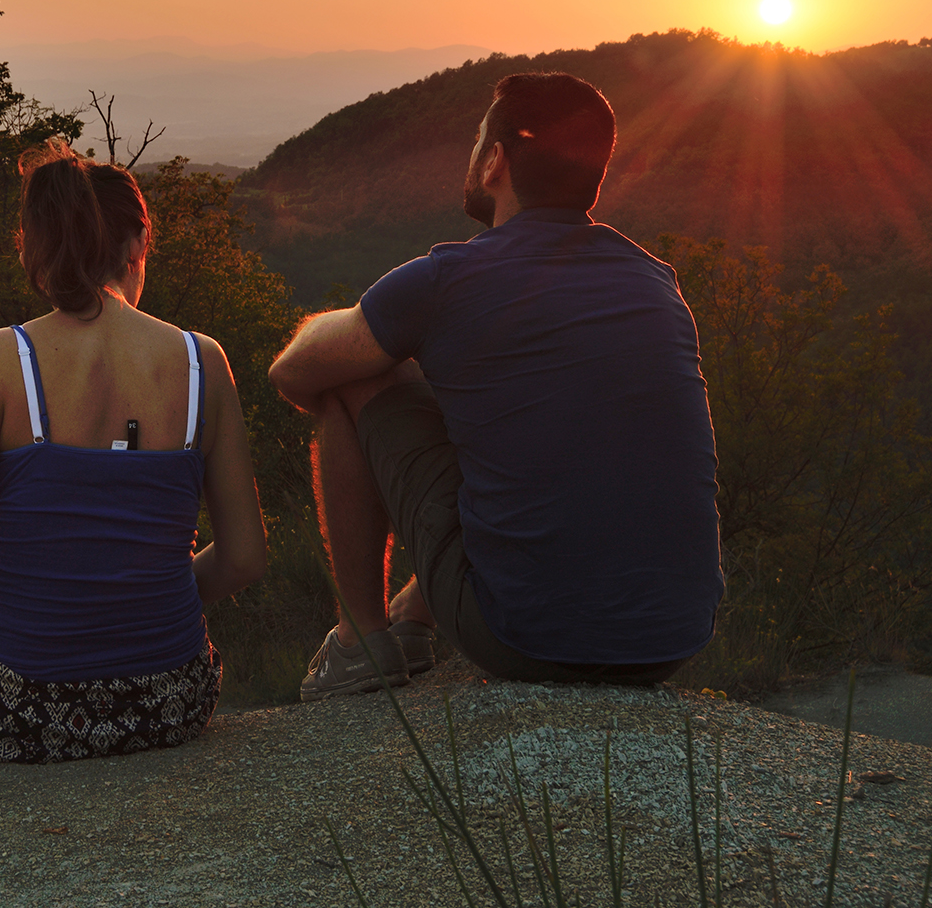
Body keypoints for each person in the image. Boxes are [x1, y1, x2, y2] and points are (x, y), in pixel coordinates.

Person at [268, 71, 723, 699]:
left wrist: (382, 347)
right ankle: (416, 619)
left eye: (479, 140)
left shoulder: (447, 278)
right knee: (509, 414)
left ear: (496, 163)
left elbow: (294, 373)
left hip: (524, 637)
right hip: (671, 636)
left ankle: (359, 644)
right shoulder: (655, 282)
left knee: (353, 383)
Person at [0, 139, 268, 762]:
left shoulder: (0, 359)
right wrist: (137, 593)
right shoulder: (202, 361)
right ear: (135, 247)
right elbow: (243, 559)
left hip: (17, 702)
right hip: (168, 698)